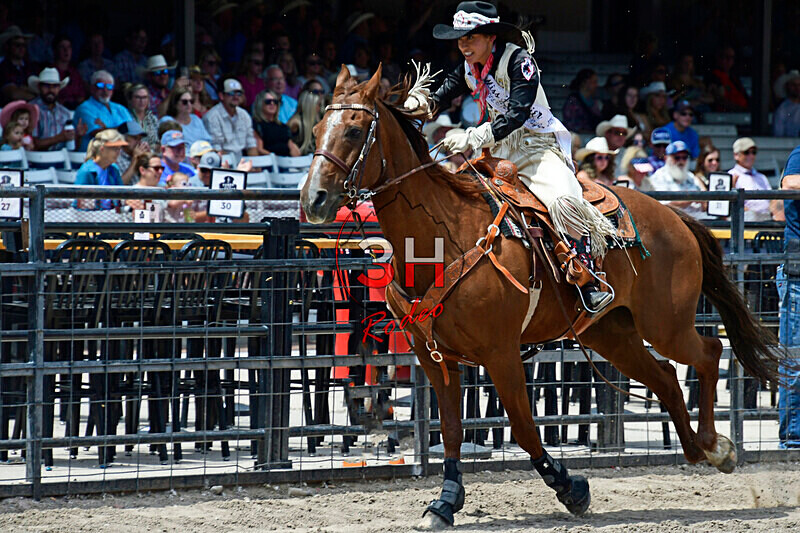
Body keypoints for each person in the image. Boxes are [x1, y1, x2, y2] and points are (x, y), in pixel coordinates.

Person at [416, 1, 619, 312]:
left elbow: (518, 114)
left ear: (490, 37)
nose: (463, 45)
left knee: (564, 200)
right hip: (496, 153)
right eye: (460, 39)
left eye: (470, 37)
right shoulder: (470, 68)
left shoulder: (518, 61)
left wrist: (471, 136)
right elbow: (444, 93)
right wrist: (422, 101)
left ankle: (588, 276)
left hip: (535, 149)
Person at [777, 143, 800, 448]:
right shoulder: (799, 155)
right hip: (798, 272)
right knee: (794, 360)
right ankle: (793, 439)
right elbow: (790, 184)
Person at [73, 70, 133, 150]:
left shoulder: (120, 108)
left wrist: (106, 128)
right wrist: (124, 129)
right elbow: (100, 134)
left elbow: (133, 130)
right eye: (100, 86)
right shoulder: (84, 109)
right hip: (95, 156)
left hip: (122, 153)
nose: (105, 91)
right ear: (92, 88)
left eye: (109, 87)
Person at [29, 68, 87, 151]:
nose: (51, 90)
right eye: (46, 86)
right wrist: (59, 138)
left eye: (55, 86)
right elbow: (32, 144)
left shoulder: (65, 113)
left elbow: (73, 149)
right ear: (39, 87)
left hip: (62, 160)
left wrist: (78, 136)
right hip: (38, 161)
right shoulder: (31, 109)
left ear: (59, 88)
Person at [648, 140, 706, 219]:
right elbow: (661, 206)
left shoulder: (691, 177)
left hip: (699, 220)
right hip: (673, 221)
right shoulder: (659, 177)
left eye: (684, 157)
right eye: (677, 158)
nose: (681, 161)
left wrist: (703, 201)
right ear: (666, 158)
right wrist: (689, 199)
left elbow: (705, 204)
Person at [203, 78, 258, 158]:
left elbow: (251, 144)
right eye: (231, 93)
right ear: (221, 96)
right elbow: (217, 149)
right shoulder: (212, 117)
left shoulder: (244, 115)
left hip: (241, 161)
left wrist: (255, 165)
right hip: (222, 162)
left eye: (239, 93)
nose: (236, 97)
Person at [74, 129, 128, 210]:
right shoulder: (86, 171)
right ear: (102, 149)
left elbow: (122, 195)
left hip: (113, 215)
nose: (118, 152)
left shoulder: (114, 169)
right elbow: (78, 205)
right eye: (114, 148)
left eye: (119, 149)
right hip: (93, 217)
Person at [728, 137, 779, 222]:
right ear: (736, 155)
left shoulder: (761, 177)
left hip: (767, 218)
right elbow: (731, 205)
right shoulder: (731, 176)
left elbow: (772, 199)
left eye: (753, 152)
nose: (751, 156)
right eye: (746, 152)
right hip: (745, 220)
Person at [252, 89, 301, 156]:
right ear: (260, 104)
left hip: (287, 162)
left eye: (275, 101)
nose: (272, 104)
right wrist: (277, 159)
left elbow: (291, 147)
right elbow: (259, 149)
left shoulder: (283, 127)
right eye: (268, 102)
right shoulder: (256, 125)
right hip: (268, 163)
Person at [0, 26, 36, 105]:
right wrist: (35, 95)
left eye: (23, 45)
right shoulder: (3, 68)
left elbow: (38, 88)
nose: (21, 48)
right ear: (7, 46)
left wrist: (23, 89)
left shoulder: (30, 66)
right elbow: (13, 94)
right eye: (17, 45)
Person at [706, 46, 749, 112]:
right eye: (724, 56)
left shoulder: (734, 78)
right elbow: (719, 100)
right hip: (726, 115)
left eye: (731, 57)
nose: (728, 60)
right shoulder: (713, 77)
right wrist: (742, 110)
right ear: (718, 58)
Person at [561, 68, 602, 133]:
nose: (596, 85)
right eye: (594, 82)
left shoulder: (596, 102)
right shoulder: (572, 102)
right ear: (585, 82)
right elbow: (570, 125)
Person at [51, 36, 86, 109]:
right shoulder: (50, 72)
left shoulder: (75, 73)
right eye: (62, 47)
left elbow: (81, 97)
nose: (66, 50)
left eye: (69, 47)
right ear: (55, 50)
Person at [287, 88, 324, 155]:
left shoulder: (315, 121)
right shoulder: (295, 123)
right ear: (311, 106)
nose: (320, 108)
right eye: (318, 105)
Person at [126, 83, 159, 150]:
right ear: (130, 99)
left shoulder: (153, 119)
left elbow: (158, 143)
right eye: (138, 97)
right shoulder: (125, 118)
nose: (142, 101)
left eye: (144, 97)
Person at [774, 70, 800, 137]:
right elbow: (778, 135)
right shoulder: (782, 110)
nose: (797, 88)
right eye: (794, 85)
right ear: (787, 87)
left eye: (799, 85)